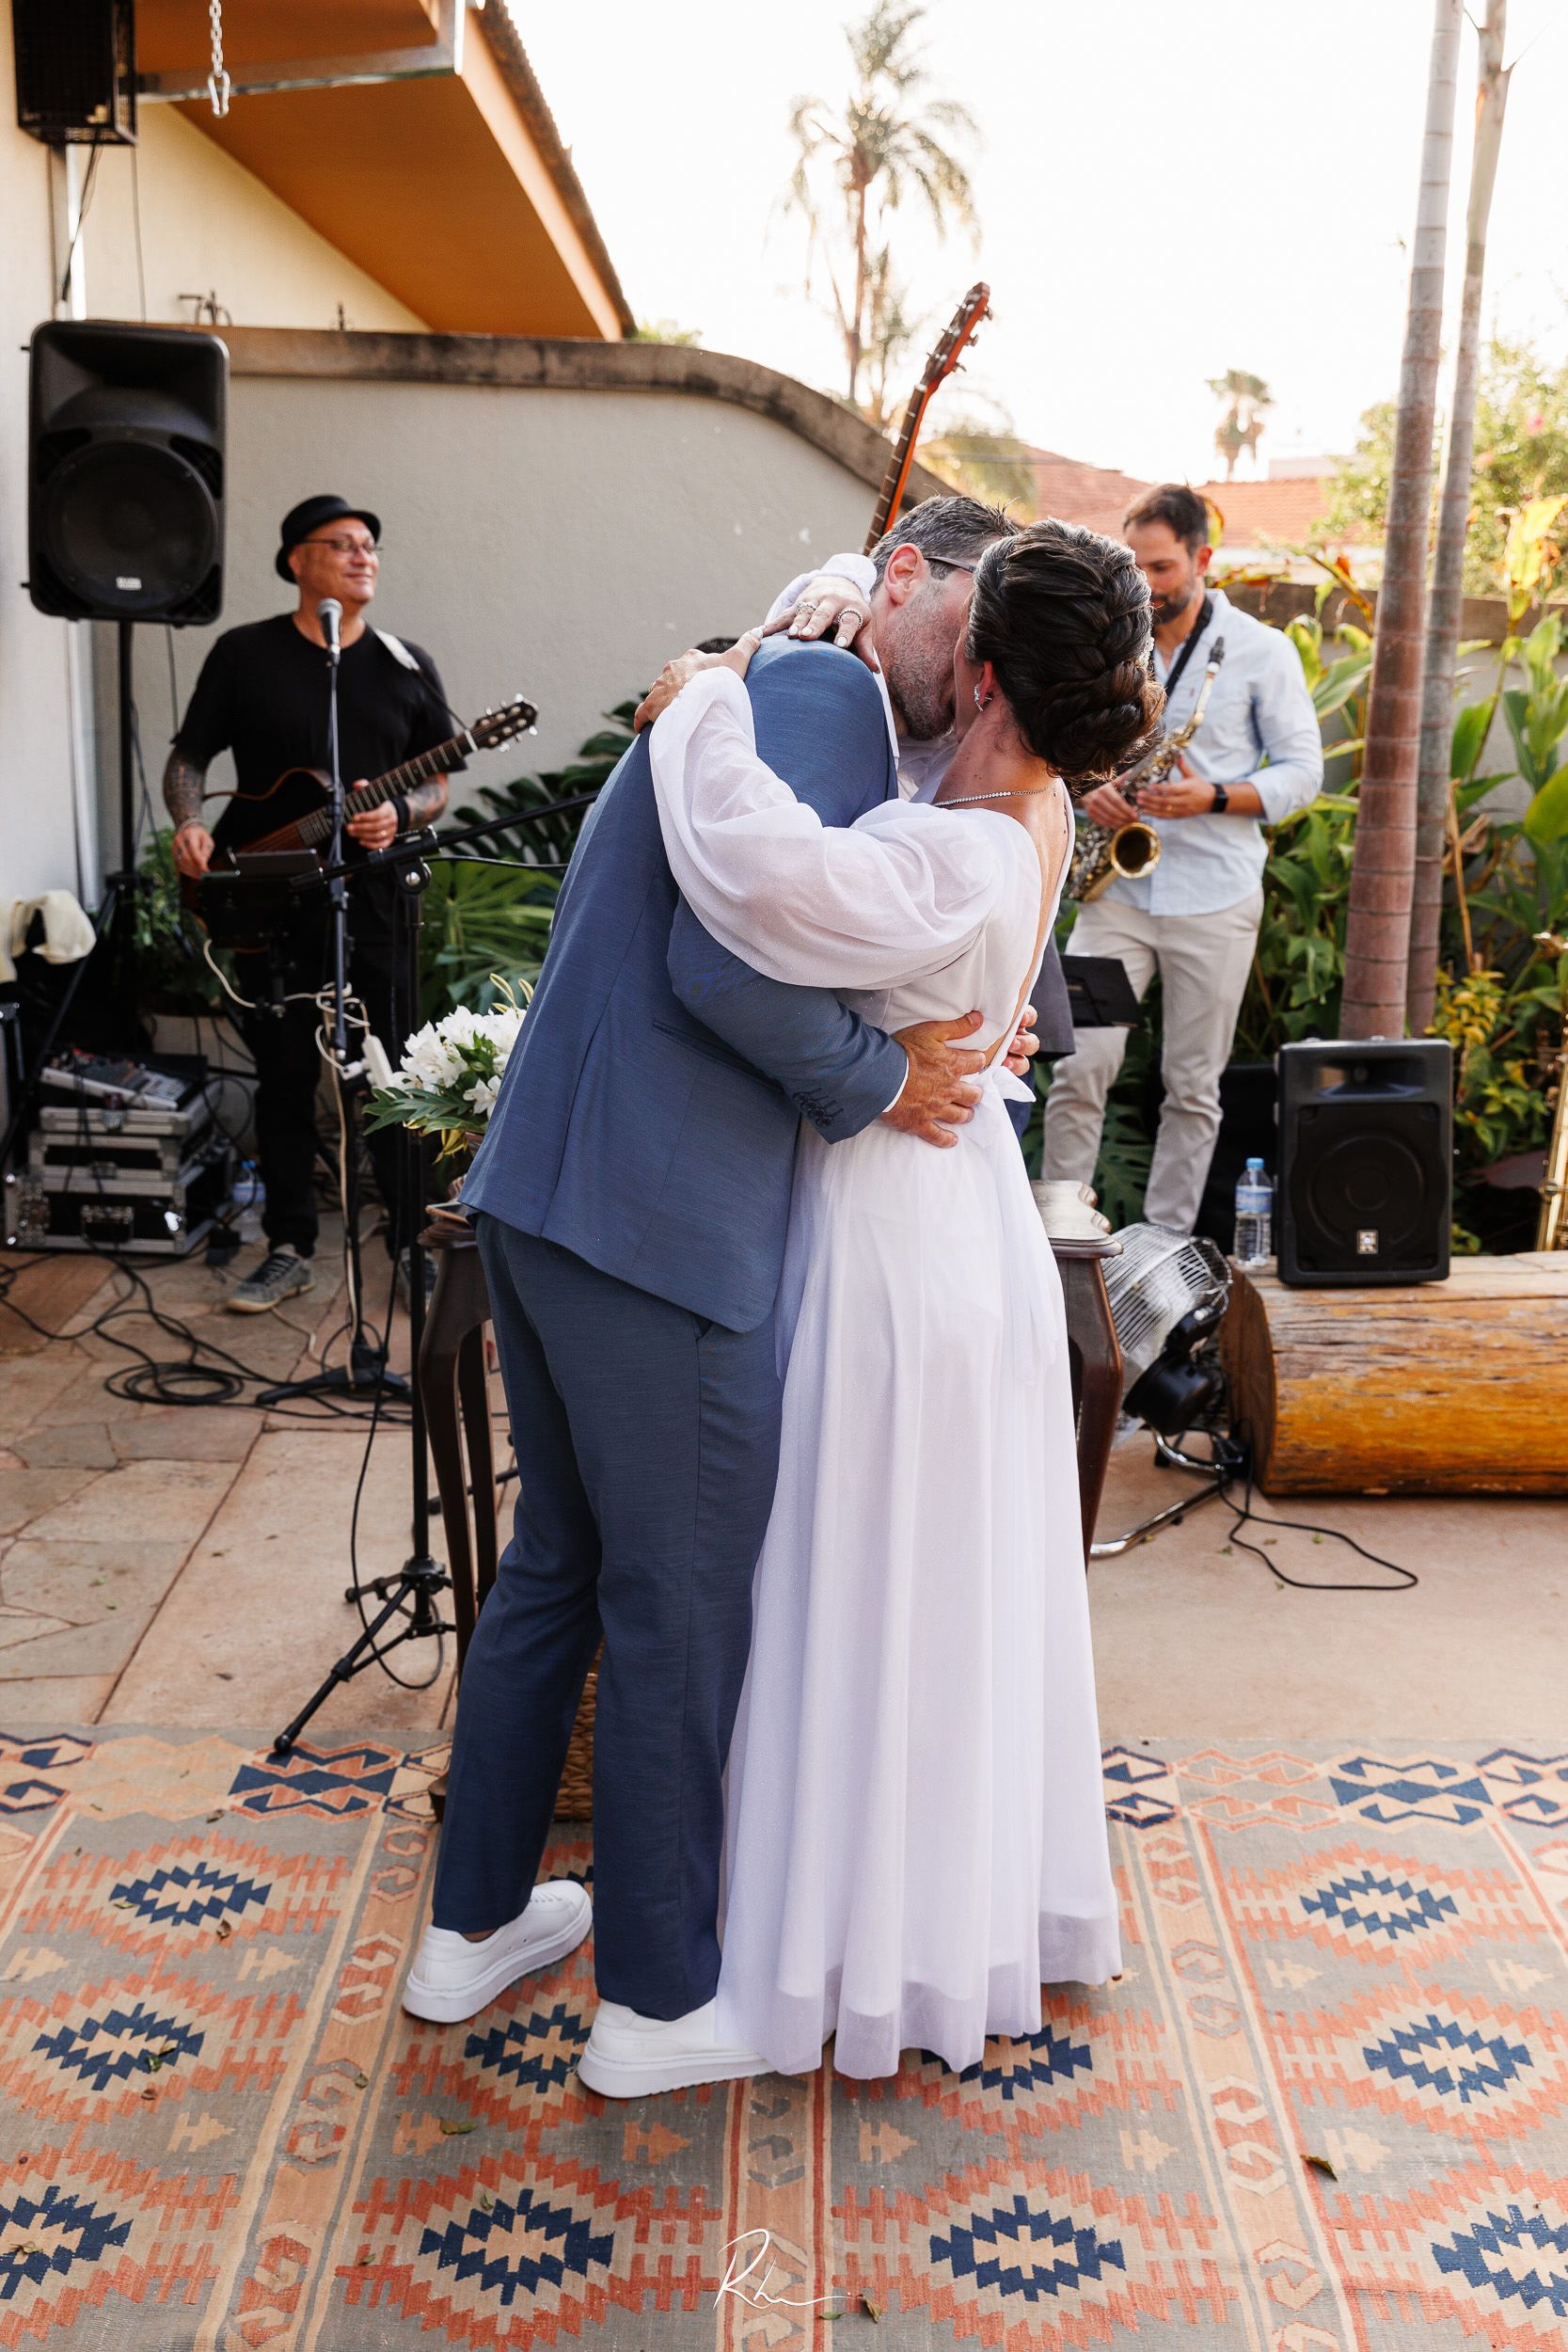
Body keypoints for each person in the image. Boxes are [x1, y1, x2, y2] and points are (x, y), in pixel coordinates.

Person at [401, 520, 1002, 2090]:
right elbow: (719, 965)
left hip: (554, 1188)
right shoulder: (819, 701)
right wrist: (880, 1084)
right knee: (673, 1611)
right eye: (965, 608)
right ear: (898, 581)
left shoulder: (780, 676)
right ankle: (658, 2003)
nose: (975, 653)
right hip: (657, 1227)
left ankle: (472, 1929)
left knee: (558, 1566)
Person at [642, 520, 1156, 2078]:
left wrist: (702, 699)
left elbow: (746, 868)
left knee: (855, 1580)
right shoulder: (1037, 803)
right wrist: (818, 604)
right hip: (964, 1222)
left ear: (984, 676)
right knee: (943, 1587)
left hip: (884, 1242)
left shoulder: (953, 850)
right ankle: (946, 1905)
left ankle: (838, 1959)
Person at [165, 494, 459, 1311]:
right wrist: (190, 821)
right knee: (284, 1077)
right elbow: (190, 755)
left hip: (372, 900)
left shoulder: (404, 663)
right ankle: (289, 1244)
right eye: (343, 544)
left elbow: (436, 778)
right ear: (298, 559)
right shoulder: (243, 654)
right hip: (263, 898)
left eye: (371, 545)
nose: (364, 555)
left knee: (398, 1073)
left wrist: (401, 812)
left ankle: (412, 1242)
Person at [1039, 483, 1323, 1234]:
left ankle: (1158, 1265)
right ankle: (1058, 1241)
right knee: (1077, 1070)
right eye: (1134, 567)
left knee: (1191, 1087)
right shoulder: (1111, 642)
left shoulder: (1262, 653)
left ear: (1201, 559)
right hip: (1114, 901)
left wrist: (1217, 797)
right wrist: (1087, 785)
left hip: (1214, 902)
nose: (1145, 586)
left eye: (1160, 568)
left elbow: (1303, 773)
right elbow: (1056, 751)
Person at [726, 495, 1078, 1097]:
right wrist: (889, 1076)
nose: (980, 659)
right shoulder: (826, 678)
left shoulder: (984, 756)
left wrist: (984, 1016)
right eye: (976, 623)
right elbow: (740, 933)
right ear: (904, 573)